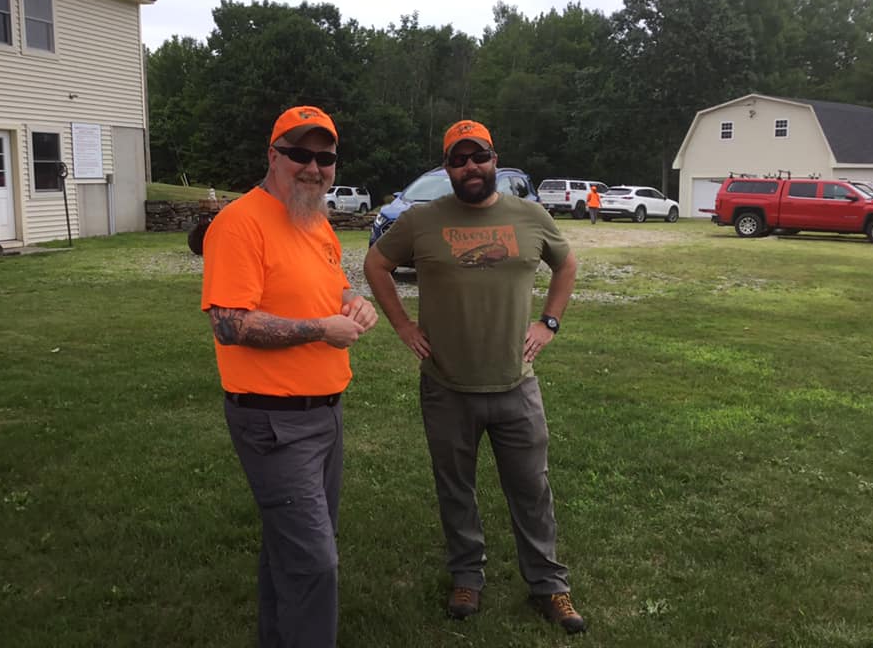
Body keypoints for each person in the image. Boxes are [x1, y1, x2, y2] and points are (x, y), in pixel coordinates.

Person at [363, 119, 586, 634]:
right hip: (446, 386)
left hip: (516, 384)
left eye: (478, 156)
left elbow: (567, 265)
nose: (470, 167)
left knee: (532, 489)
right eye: (458, 159)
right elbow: (375, 265)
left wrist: (549, 323)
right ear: (447, 168)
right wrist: (403, 326)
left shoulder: (530, 215)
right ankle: (467, 576)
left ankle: (548, 584)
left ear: (494, 160)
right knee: (455, 488)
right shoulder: (421, 220)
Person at [201, 105, 378, 648]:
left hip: (325, 412)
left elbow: (331, 286)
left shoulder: (314, 220)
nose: (313, 167)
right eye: (300, 154)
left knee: (292, 549)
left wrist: (354, 302)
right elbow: (229, 323)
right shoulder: (239, 223)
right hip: (274, 420)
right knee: (314, 563)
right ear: (273, 156)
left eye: (325, 158)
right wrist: (320, 330)